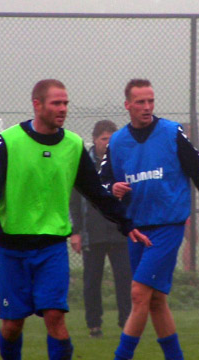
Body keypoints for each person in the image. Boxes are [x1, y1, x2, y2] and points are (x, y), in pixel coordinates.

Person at [0, 79, 151, 360]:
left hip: (52, 248)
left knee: (55, 317)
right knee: (12, 325)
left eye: (66, 103)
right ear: (37, 105)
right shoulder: (9, 141)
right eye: (56, 103)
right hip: (13, 249)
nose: (63, 109)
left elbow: (97, 192)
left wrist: (127, 224)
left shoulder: (72, 145)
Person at [101, 79, 199, 360]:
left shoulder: (171, 133)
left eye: (151, 101)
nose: (147, 107)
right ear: (128, 106)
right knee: (156, 301)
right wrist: (112, 188)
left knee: (138, 294)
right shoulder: (117, 141)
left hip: (167, 226)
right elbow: (101, 183)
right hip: (136, 229)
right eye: (140, 102)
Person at [69, 120, 132, 338]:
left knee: (125, 280)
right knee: (91, 282)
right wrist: (75, 232)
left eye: (111, 139)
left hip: (119, 232)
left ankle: (127, 323)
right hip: (91, 232)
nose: (107, 143)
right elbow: (74, 200)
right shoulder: (83, 164)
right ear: (95, 139)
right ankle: (94, 325)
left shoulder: (122, 162)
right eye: (104, 138)